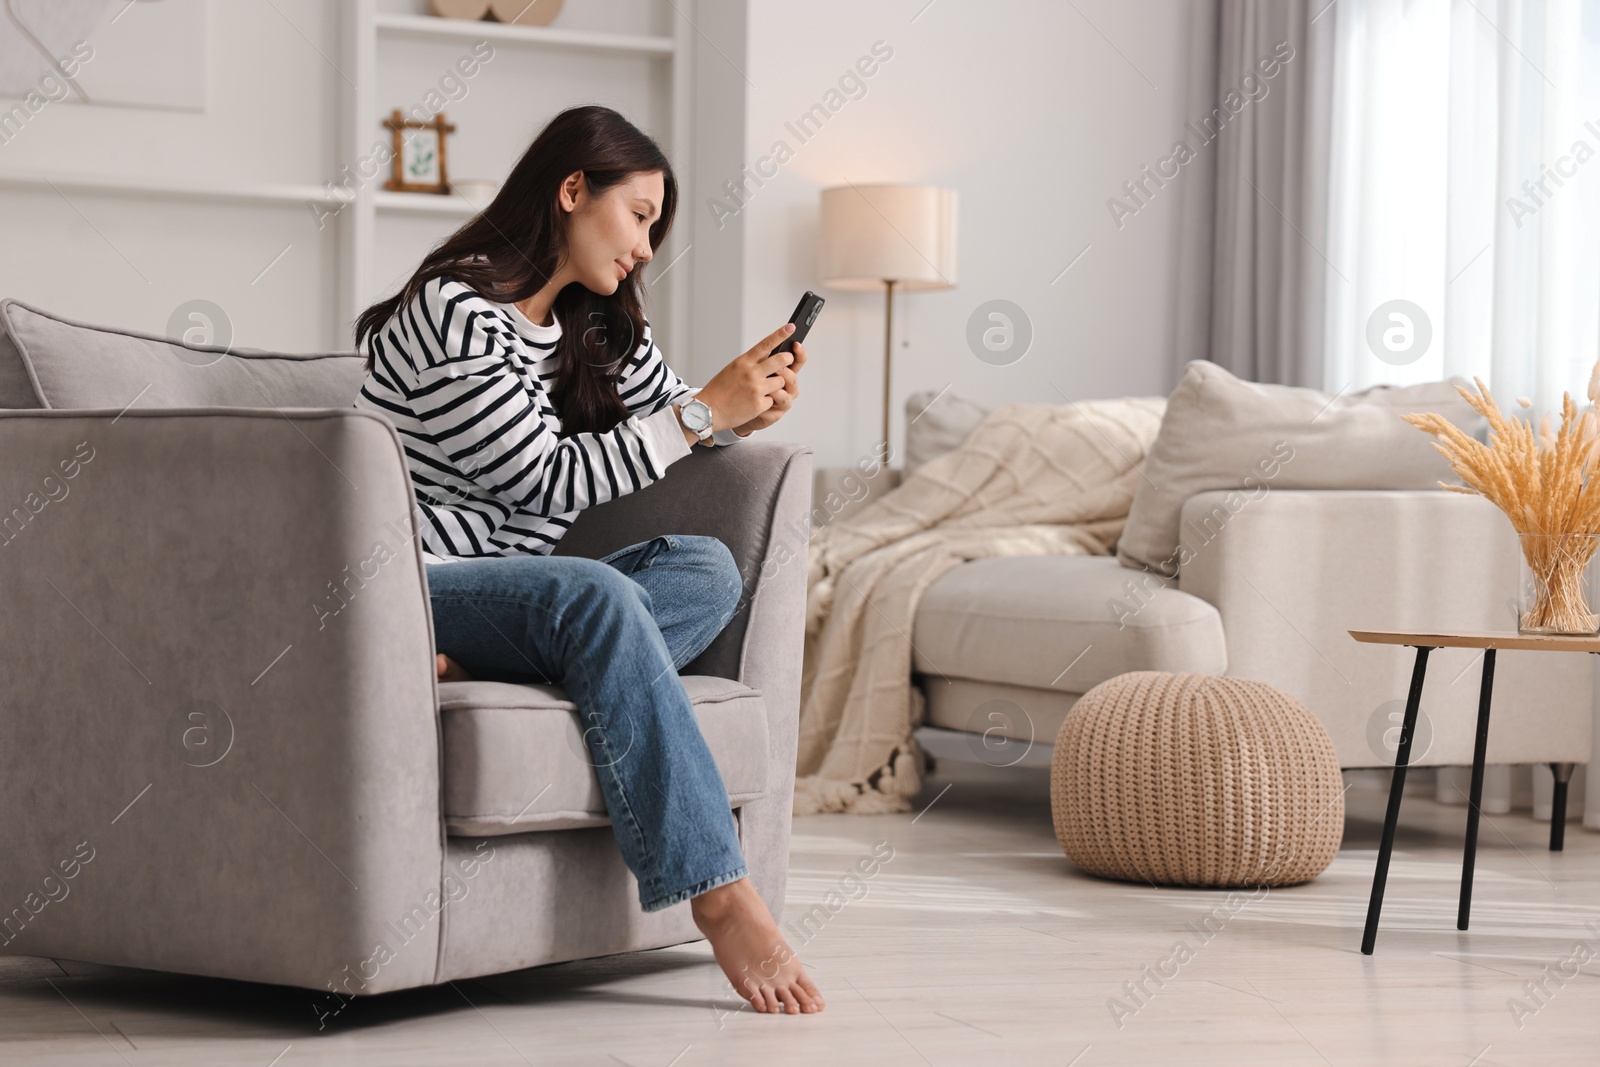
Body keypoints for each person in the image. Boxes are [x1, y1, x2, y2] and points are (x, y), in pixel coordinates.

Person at [351, 105, 821, 1015]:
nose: (647, 247)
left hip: (509, 607)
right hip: (415, 587)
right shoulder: (452, 314)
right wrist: (701, 414)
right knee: (597, 598)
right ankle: (717, 891)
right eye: (640, 215)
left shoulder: (592, 327)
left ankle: (474, 667)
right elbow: (543, 475)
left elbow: (685, 422)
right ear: (573, 191)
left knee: (707, 571)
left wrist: (743, 408)